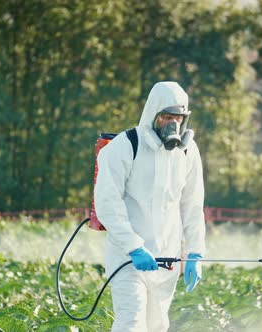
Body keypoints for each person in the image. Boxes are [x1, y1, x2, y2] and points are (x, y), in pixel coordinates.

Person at [94, 81, 206, 332]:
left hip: (167, 259)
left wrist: (195, 253)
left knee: (156, 326)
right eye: (166, 117)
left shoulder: (188, 152)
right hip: (128, 258)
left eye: (178, 118)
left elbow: (192, 204)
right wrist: (134, 247)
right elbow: (107, 204)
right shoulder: (125, 146)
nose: (172, 125)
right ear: (152, 114)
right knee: (130, 324)